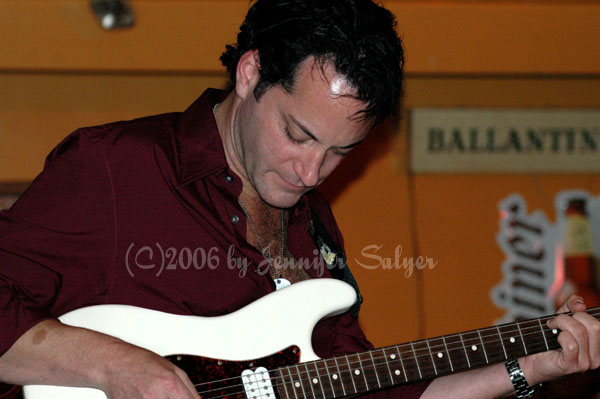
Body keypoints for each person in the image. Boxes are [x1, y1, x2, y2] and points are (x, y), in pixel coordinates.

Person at [0, 0, 598, 398]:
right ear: (251, 73)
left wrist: (527, 367)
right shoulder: (116, 168)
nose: (312, 172)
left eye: (341, 152)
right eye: (298, 134)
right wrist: (117, 366)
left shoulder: (312, 227)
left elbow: (370, 390)